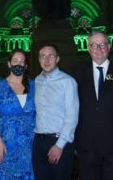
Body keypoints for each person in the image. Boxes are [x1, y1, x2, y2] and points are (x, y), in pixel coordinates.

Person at [74, 31, 113, 180]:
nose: (98, 49)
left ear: (109, 47)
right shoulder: (79, 73)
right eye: (93, 45)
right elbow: (72, 110)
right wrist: (74, 141)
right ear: (88, 49)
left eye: (102, 45)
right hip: (86, 144)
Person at [0, 49, 36, 180]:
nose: (19, 64)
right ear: (9, 64)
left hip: (30, 148)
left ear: (26, 65)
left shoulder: (35, 86)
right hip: (5, 145)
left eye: (22, 61)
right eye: (15, 61)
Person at [33, 43, 79, 180]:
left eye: (51, 56)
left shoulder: (68, 82)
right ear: (39, 60)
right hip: (39, 142)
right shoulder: (37, 81)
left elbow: (72, 117)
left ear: (57, 59)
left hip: (60, 142)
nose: (46, 60)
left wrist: (59, 145)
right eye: (43, 56)